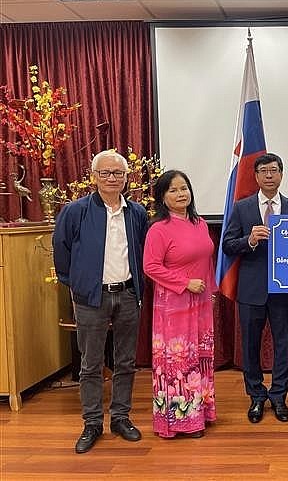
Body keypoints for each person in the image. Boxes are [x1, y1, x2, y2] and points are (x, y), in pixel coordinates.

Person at [53, 149, 148, 454]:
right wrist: (78, 284)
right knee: (91, 364)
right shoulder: (75, 211)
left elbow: (143, 251)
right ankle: (92, 422)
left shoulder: (136, 213)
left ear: (126, 178)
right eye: (105, 173)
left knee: (125, 362)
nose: (111, 178)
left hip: (128, 295)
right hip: (91, 298)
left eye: (117, 173)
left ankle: (120, 417)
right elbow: (62, 253)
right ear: (93, 177)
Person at [222, 153, 288, 423]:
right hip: (251, 288)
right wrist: (250, 240)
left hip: (283, 288)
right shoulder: (242, 207)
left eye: (274, 171)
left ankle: (279, 396)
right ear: (255, 177)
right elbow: (228, 245)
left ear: (281, 174)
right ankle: (256, 396)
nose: (269, 176)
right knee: (251, 345)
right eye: (264, 171)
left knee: (283, 343)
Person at [143, 170, 217, 438]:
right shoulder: (158, 229)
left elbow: (206, 259)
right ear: (162, 198)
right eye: (173, 190)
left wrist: (211, 289)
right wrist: (185, 283)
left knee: (200, 357)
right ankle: (179, 421)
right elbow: (150, 266)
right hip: (174, 305)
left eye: (183, 188)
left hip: (201, 302)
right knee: (180, 361)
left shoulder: (199, 223)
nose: (180, 194)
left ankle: (201, 412)